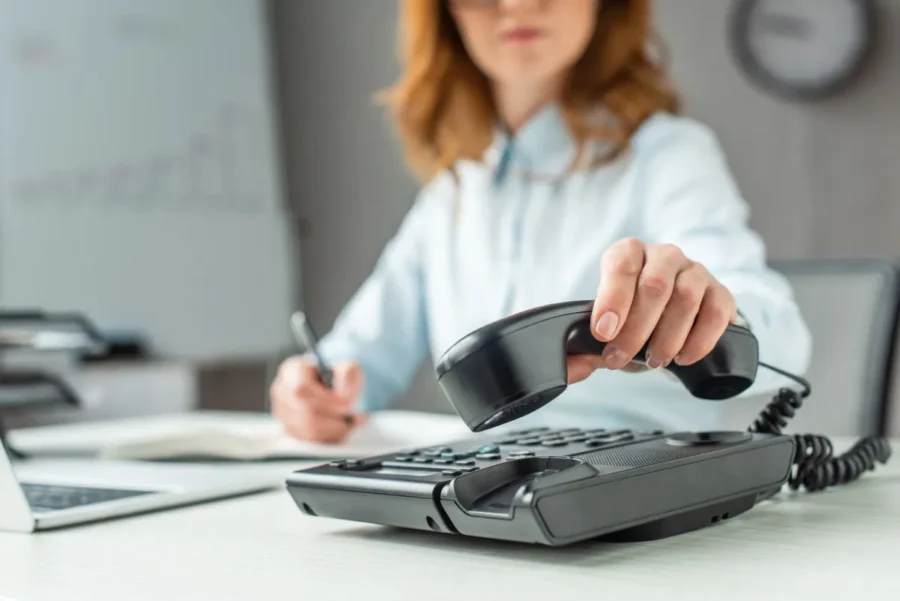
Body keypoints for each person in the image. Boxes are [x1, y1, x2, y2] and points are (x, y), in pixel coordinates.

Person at [270, 0, 811, 442]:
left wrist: (709, 311)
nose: (518, 5)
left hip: (634, 488)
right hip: (485, 497)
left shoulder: (668, 155)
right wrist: (310, 393)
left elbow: (784, 339)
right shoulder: (454, 190)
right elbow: (354, 365)